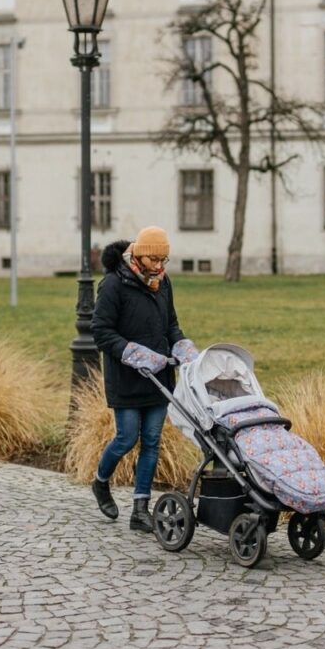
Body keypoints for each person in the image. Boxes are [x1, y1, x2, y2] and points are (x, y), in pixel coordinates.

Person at [90, 226, 199, 532]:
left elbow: (171, 324)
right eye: (154, 259)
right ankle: (100, 482)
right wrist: (132, 352)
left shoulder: (163, 283)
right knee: (127, 438)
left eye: (165, 259)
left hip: (159, 376)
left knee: (151, 440)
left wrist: (182, 346)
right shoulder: (113, 284)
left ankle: (140, 509)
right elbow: (101, 331)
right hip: (127, 375)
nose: (160, 266)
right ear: (138, 254)